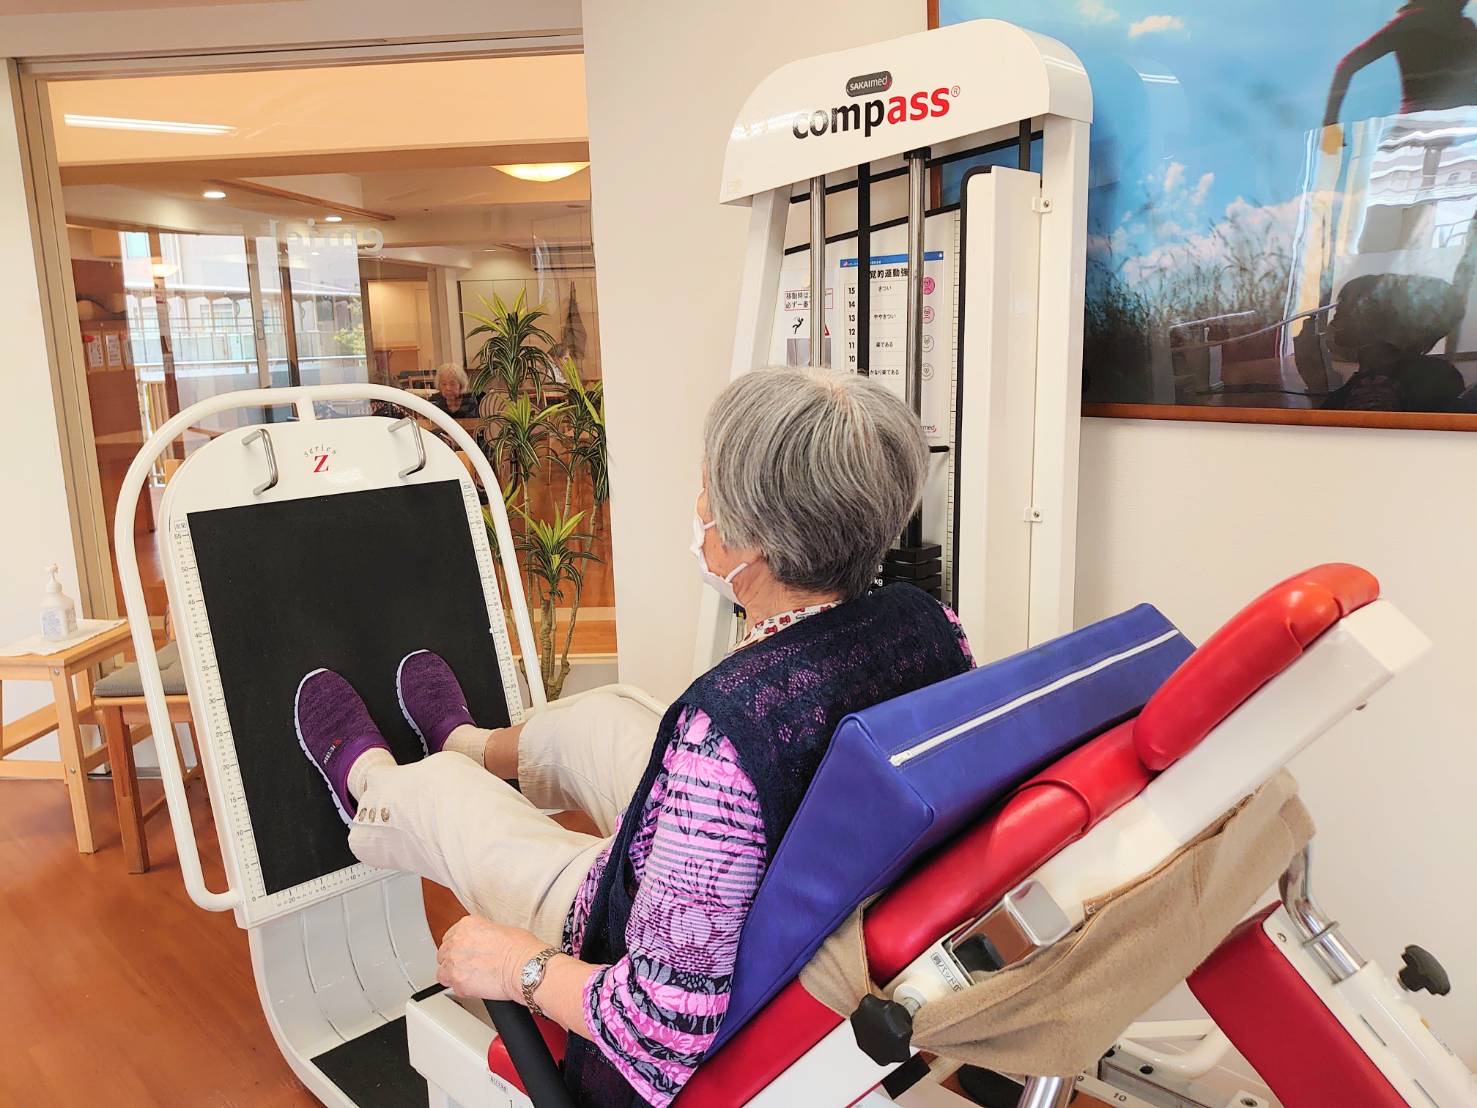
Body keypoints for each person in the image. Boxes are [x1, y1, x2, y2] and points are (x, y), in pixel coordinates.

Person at [293, 368, 974, 1107]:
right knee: (603, 716)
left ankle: (370, 785)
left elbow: (659, 1027)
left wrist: (518, 965)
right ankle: (466, 742)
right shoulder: (928, 627)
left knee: (444, 794)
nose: (701, 507)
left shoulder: (722, 739)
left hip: (638, 943)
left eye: (709, 490)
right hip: (769, 865)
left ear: (756, 539)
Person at [1323, 1, 1477, 151]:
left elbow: (1346, 65)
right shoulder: (1463, 29)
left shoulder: (1410, 23)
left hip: (1420, 135)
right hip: (1440, 134)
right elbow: (1347, 65)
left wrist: (1330, 123)